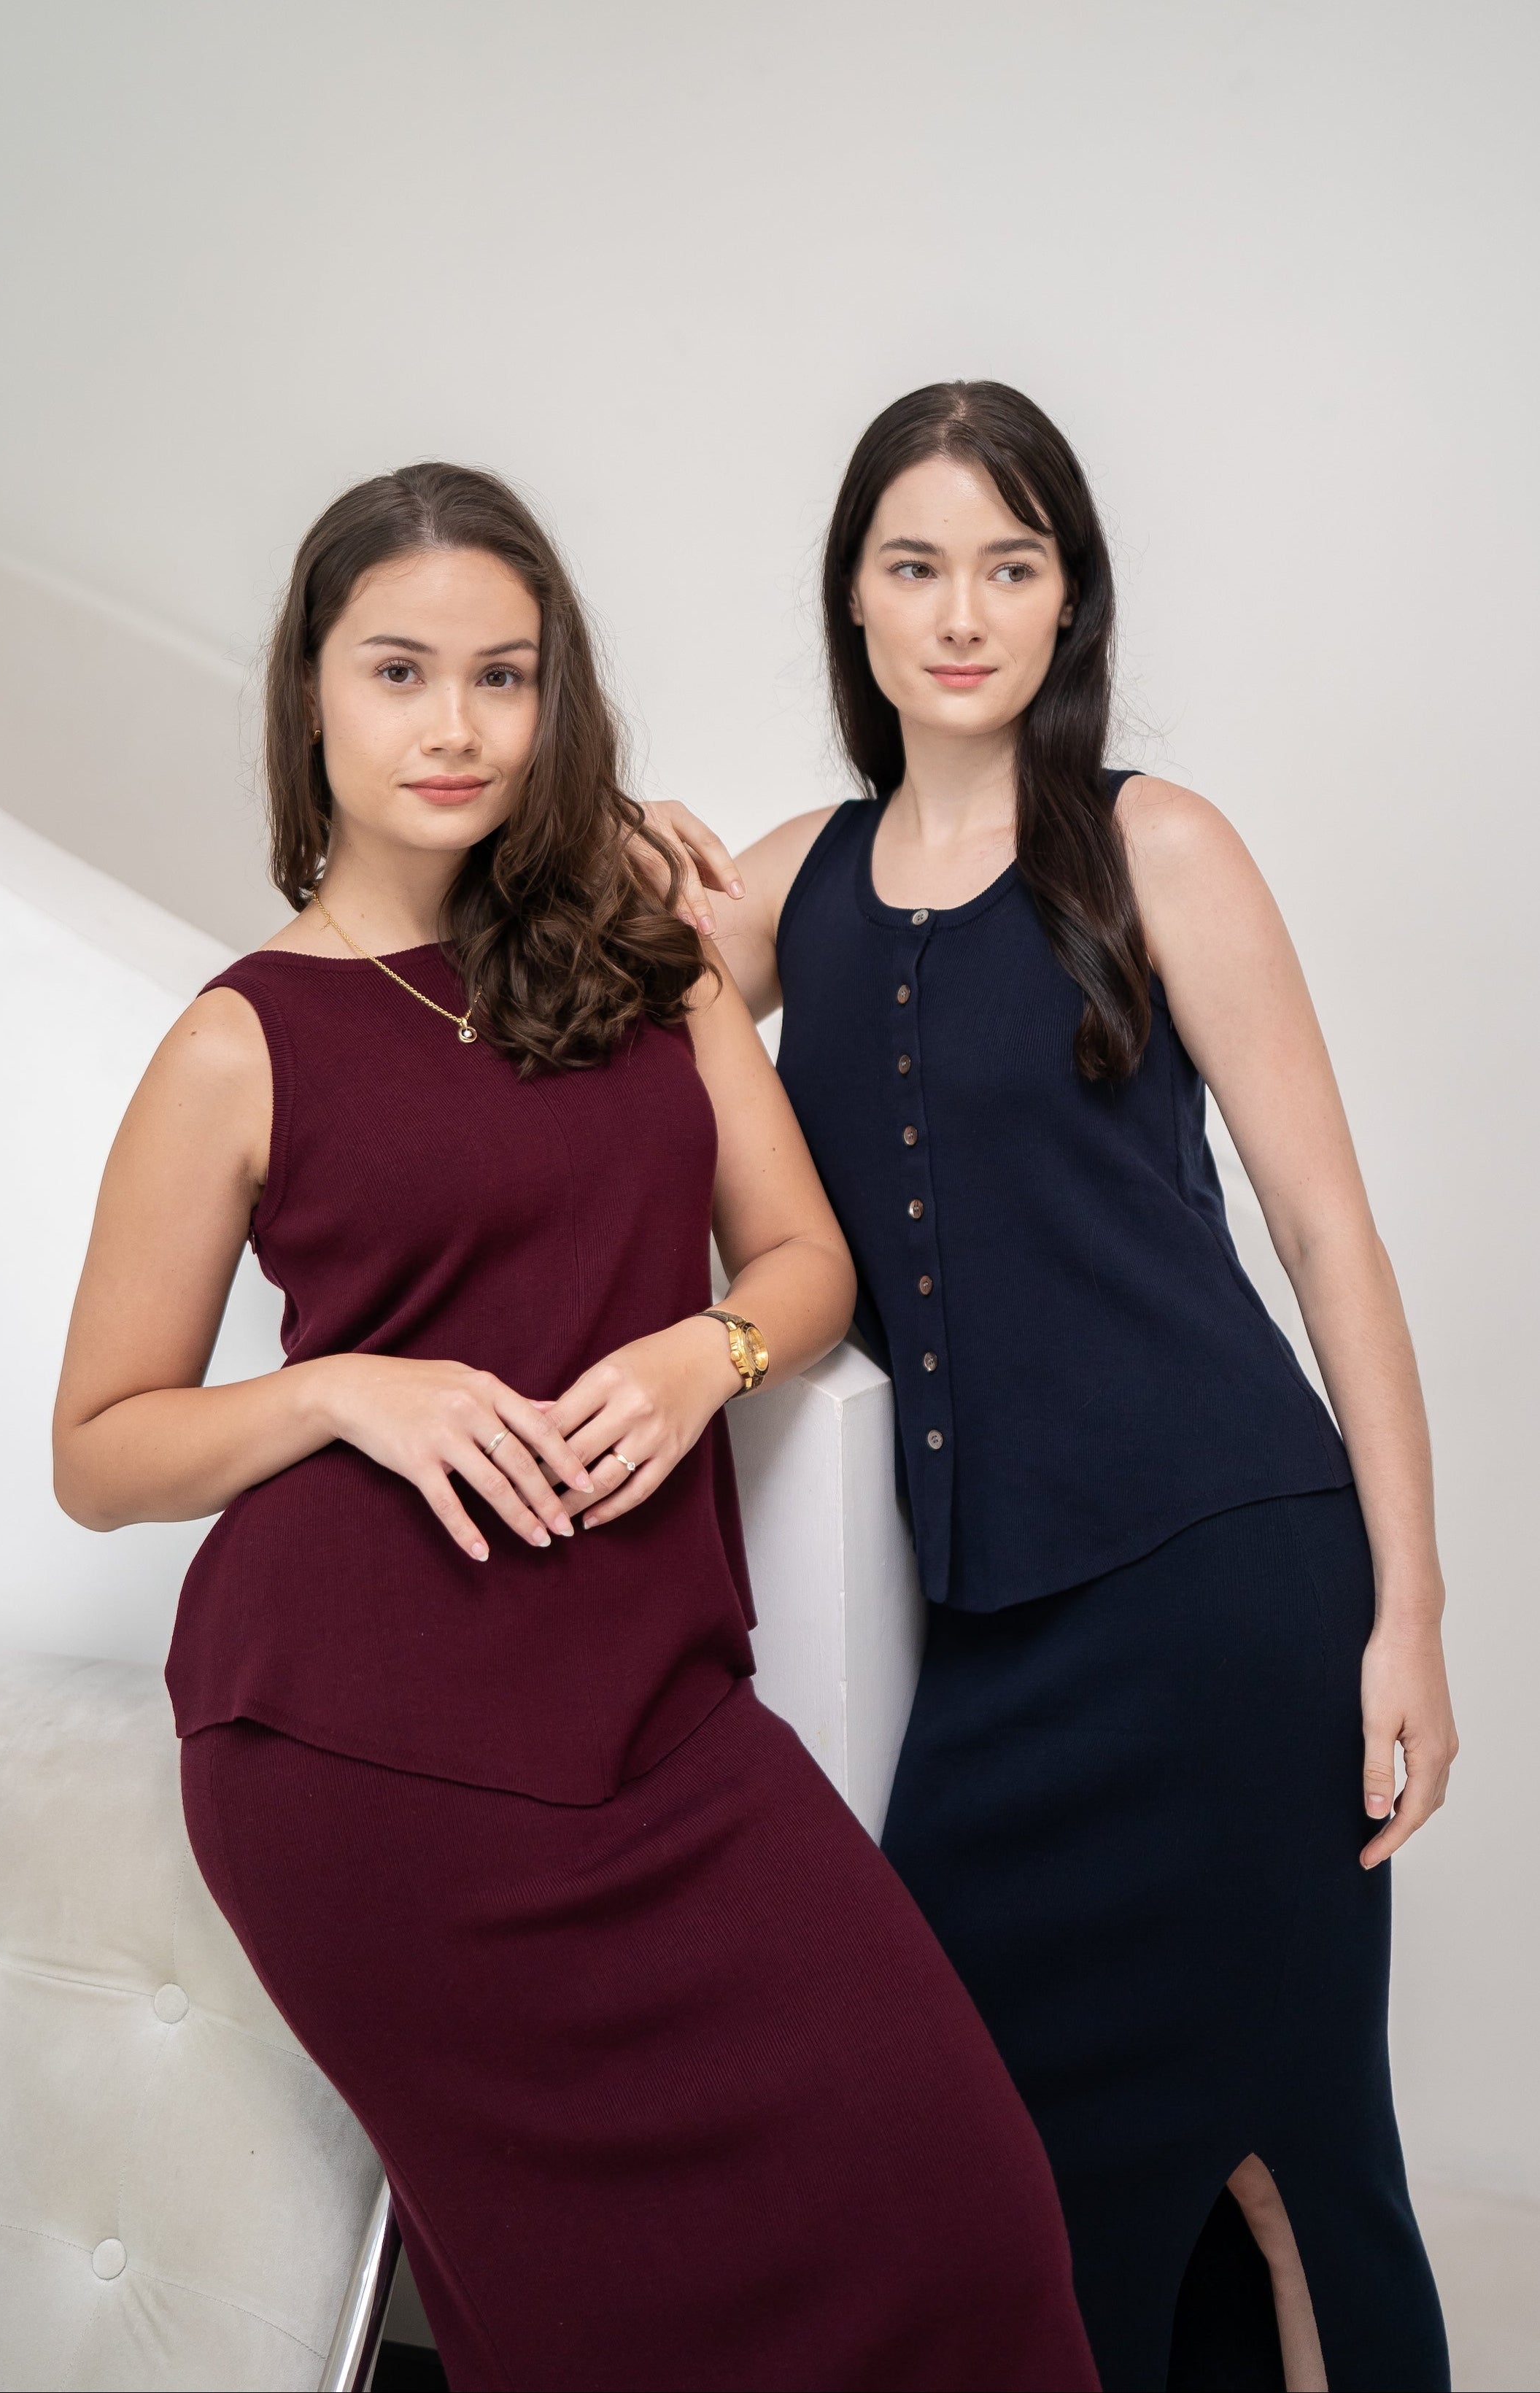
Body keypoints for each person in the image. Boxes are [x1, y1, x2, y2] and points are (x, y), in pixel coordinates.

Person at [52, 462, 1097, 2393]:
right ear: (310, 699)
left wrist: (708, 1354)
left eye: (502, 677)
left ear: (557, 702)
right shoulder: (240, 1038)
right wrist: (341, 1389)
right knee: (598, 2323)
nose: (452, 726)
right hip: (362, 1766)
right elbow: (99, 1452)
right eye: (397, 673)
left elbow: (803, 1259)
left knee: (964, 2204)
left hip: (659, 1718)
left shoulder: (640, 959)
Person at [641, 383, 1455, 2393]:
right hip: (997, 1643)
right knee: (997, 2163)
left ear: (1066, 594)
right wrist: (596, 832)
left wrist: (1408, 1617)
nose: (960, 611)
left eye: (1008, 564)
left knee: (1290, 2154)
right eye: (914, 564)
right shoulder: (788, 887)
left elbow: (1328, 1235)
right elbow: (578, 1021)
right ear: (851, 595)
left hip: (1232, 1594)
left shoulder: (1152, 846)